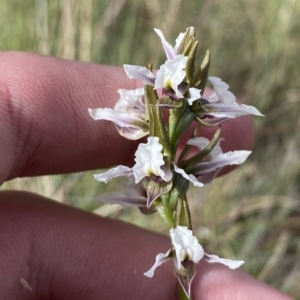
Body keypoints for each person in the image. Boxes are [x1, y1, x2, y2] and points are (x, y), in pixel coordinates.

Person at [0, 51, 292, 299]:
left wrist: (183, 173)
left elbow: (176, 176)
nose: (172, 96)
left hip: (179, 162)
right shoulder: (163, 163)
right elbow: (154, 175)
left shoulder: (181, 142)